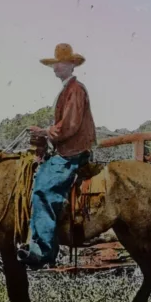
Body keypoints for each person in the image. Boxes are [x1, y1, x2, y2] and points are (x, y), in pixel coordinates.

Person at [17, 43, 97, 268]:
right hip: (67, 149)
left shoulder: (76, 89)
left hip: (73, 152)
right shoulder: (68, 88)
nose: (55, 68)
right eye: (54, 64)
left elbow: (70, 125)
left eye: (60, 63)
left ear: (71, 65)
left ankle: (43, 253)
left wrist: (45, 132)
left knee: (42, 189)